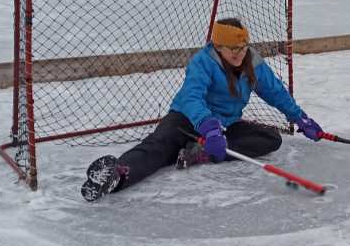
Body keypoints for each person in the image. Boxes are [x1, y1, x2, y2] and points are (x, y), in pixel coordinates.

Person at [80, 18, 323, 202]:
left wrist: (300, 118)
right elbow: (191, 97)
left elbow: (275, 91)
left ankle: (202, 154)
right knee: (159, 147)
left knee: (270, 138)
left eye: (243, 47)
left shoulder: (252, 61)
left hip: (225, 124)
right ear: (218, 47)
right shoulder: (203, 61)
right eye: (233, 49)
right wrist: (208, 126)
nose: (239, 54)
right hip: (187, 120)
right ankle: (118, 175)